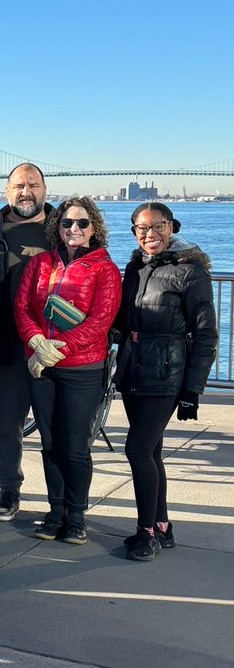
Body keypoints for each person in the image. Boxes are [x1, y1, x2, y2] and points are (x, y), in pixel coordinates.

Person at [15, 197, 121, 545]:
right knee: (49, 444)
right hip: (41, 366)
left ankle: (76, 516)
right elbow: (22, 307)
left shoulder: (104, 268)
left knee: (74, 445)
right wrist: (35, 340)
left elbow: (100, 322)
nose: (73, 229)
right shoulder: (41, 263)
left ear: (94, 229)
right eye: (66, 223)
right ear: (56, 227)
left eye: (82, 223)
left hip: (82, 369)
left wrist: (52, 352)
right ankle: (55, 510)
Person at [115, 203, 217, 561]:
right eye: (140, 229)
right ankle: (162, 525)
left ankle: (146, 534)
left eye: (157, 226)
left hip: (166, 373)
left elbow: (206, 335)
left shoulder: (191, 271)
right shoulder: (133, 268)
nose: (149, 234)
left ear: (171, 226)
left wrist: (192, 390)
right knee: (152, 450)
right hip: (133, 370)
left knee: (137, 449)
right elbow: (123, 323)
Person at [0, 164, 53, 523]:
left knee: (59, 430)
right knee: (3, 429)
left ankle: (64, 500)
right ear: (7, 192)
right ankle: (8, 490)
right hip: (3, 349)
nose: (26, 191)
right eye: (19, 186)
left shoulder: (68, 231)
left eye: (33, 185)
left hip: (56, 351)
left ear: (45, 189)